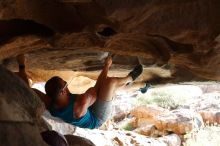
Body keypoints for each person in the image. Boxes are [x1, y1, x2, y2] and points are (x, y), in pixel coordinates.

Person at [15, 54, 150, 129]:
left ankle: (143, 86)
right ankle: (130, 77)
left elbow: (27, 89)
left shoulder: (50, 101)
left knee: (114, 90)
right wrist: (107, 65)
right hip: (97, 117)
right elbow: (98, 85)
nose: (67, 86)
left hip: (86, 109)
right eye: (65, 85)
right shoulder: (81, 103)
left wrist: (22, 64)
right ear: (62, 92)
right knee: (110, 83)